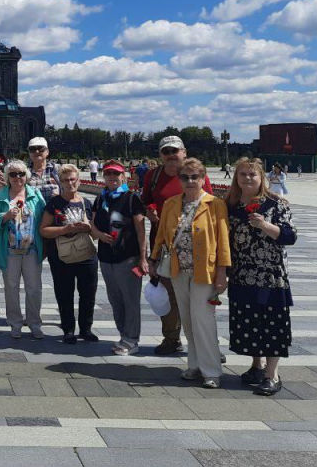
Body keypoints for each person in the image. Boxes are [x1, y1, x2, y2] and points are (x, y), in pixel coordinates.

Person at [151, 157, 229, 388]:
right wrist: (154, 259)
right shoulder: (171, 204)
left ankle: (212, 370)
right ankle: (194, 365)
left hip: (205, 270)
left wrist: (223, 272)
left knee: (203, 319)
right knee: (187, 319)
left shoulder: (215, 204)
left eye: (195, 176)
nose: (190, 181)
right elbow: (162, 236)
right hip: (178, 270)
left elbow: (223, 241)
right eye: (185, 177)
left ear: (204, 178)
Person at [226, 157, 296, 396]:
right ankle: (256, 366)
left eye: (252, 175)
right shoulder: (231, 205)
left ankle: (272, 374)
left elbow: (290, 236)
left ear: (261, 178)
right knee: (250, 323)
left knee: (273, 324)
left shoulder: (276, 204)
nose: (247, 178)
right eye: (243, 174)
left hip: (270, 275)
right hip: (242, 274)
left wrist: (266, 226)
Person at [141, 136, 214, 356]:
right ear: (160, 156)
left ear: (184, 151)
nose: (171, 155)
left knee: (199, 298)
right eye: (166, 152)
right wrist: (149, 211)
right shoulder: (153, 176)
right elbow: (144, 201)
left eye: (175, 150)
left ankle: (205, 344)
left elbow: (211, 204)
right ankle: (171, 338)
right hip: (164, 247)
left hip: (197, 248)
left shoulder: (196, 175)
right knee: (168, 293)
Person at [90, 160, 147, 356]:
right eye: (108, 174)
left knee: (130, 300)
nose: (112, 178)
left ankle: (132, 339)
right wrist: (97, 235)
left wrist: (143, 258)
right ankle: (124, 335)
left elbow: (140, 230)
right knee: (115, 299)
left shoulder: (131, 199)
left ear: (123, 176)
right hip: (106, 258)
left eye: (116, 174)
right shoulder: (101, 198)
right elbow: (92, 224)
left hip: (127, 257)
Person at [40, 163, 98, 345]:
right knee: (65, 293)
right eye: (65, 180)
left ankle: (86, 328)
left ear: (79, 181)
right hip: (61, 255)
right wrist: (66, 228)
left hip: (86, 255)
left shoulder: (86, 203)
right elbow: (44, 230)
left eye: (73, 179)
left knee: (88, 293)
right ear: (60, 182)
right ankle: (68, 330)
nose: (70, 183)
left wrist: (90, 228)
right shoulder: (54, 203)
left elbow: (94, 232)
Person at [0, 159, 46, 340]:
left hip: (32, 249)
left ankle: (34, 323)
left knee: (34, 288)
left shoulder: (35, 194)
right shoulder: (0, 196)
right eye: (13, 174)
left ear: (26, 176)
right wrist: (5, 216)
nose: (17, 177)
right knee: (11, 287)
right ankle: (15, 323)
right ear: (7, 177)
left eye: (21, 174)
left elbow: (44, 217)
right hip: (9, 250)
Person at [27, 137, 61, 203]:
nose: (37, 151)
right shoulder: (24, 172)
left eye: (40, 148)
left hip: (54, 211)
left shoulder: (57, 169)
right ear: (29, 153)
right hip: (33, 212)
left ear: (47, 152)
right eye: (32, 149)